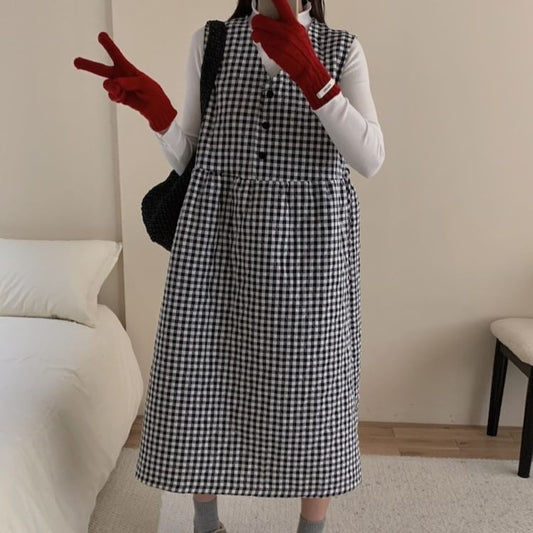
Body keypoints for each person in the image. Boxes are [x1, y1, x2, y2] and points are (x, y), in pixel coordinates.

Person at [73, 0, 384, 531]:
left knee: (314, 389)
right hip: (218, 238)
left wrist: (313, 75)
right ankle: (206, 522)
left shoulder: (340, 48)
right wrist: (160, 117)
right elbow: (195, 159)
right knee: (204, 375)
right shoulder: (212, 41)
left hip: (311, 250)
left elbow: (370, 158)